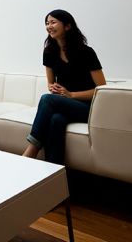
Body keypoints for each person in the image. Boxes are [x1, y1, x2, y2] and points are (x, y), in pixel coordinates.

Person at [22, 9, 106, 164]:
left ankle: (31, 151)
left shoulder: (86, 53)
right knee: (56, 119)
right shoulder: (49, 52)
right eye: (47, 23)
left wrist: (71, 95)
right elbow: (50, 83)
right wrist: (53, 88)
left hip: (88, 107)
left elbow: (102, 90)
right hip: (64, 104)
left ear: (67, 26)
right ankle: (52, 170)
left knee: (47, 99)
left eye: (53, 22)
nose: (49, 26)